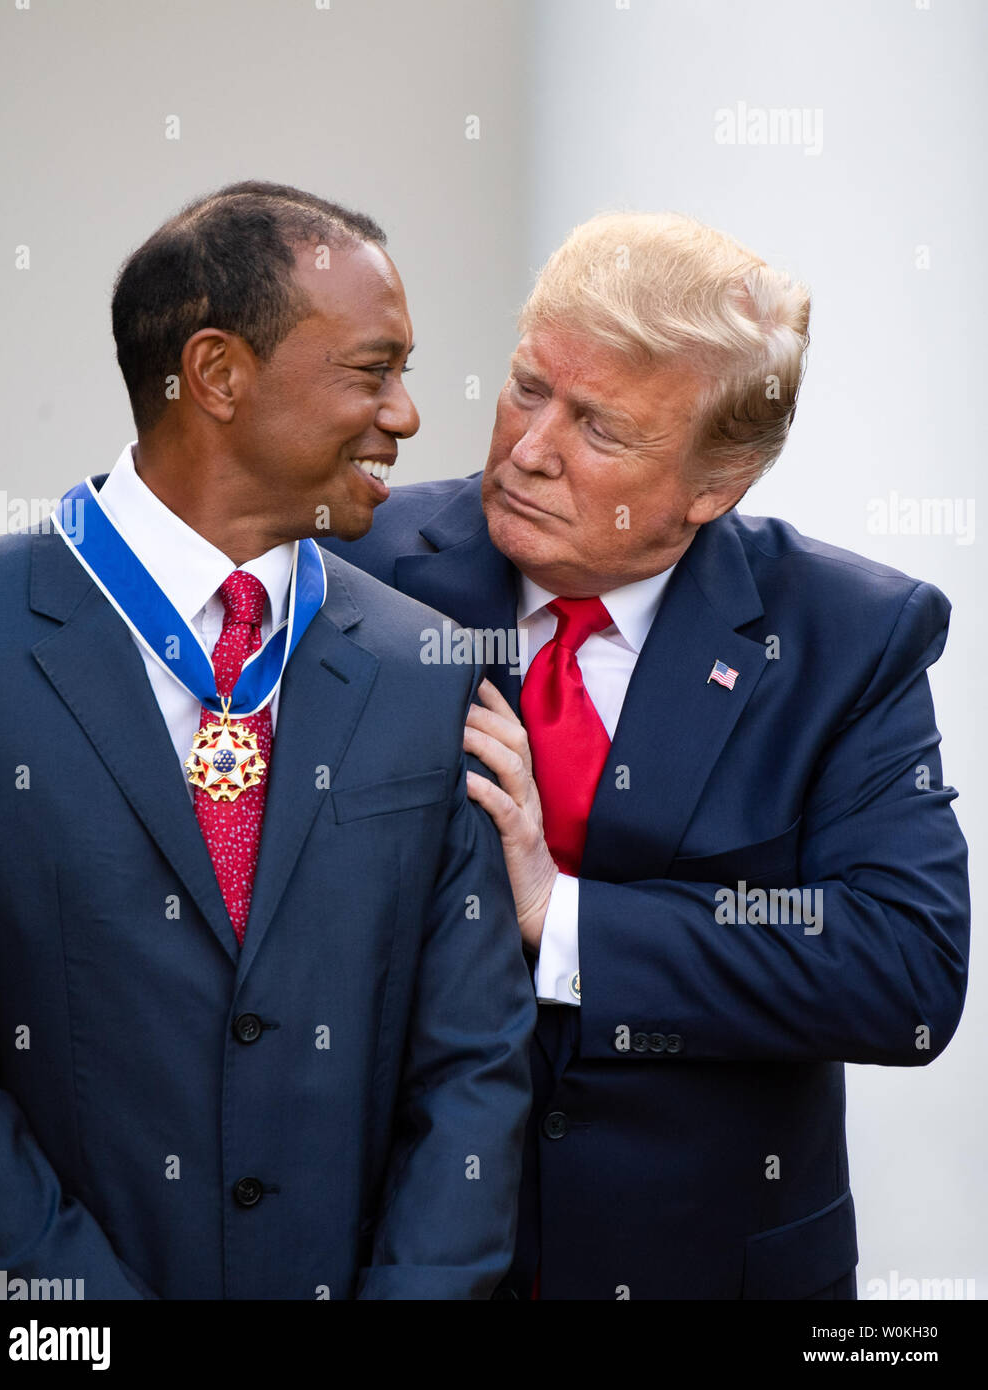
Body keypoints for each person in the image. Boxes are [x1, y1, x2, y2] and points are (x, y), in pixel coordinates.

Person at [322, 210, 971, 1300]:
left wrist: (559, 911)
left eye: (600, 429)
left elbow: (903, 968)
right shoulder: (357, 567)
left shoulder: (848, 636)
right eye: (529, 387)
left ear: (715, 488)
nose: (529, 449)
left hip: (710, 1267)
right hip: (397, 1260)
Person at [0, 181, 536, 1301]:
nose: (409, 416)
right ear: (217, 374)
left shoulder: (427, 665)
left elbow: (474, 1063)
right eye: (373, 372)